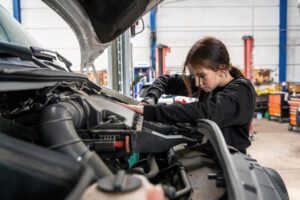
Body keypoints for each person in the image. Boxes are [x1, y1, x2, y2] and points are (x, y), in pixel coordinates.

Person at [121, 36, 255, 153]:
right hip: (206, 153)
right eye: (194, 75)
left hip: (229, 163)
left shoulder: (241, 92)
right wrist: (150, 100)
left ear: (222, 68)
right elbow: (165, 80)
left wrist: (150, 112)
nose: (197, 83)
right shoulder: (208, 82)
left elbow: (205, 111)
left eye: (202, 75)